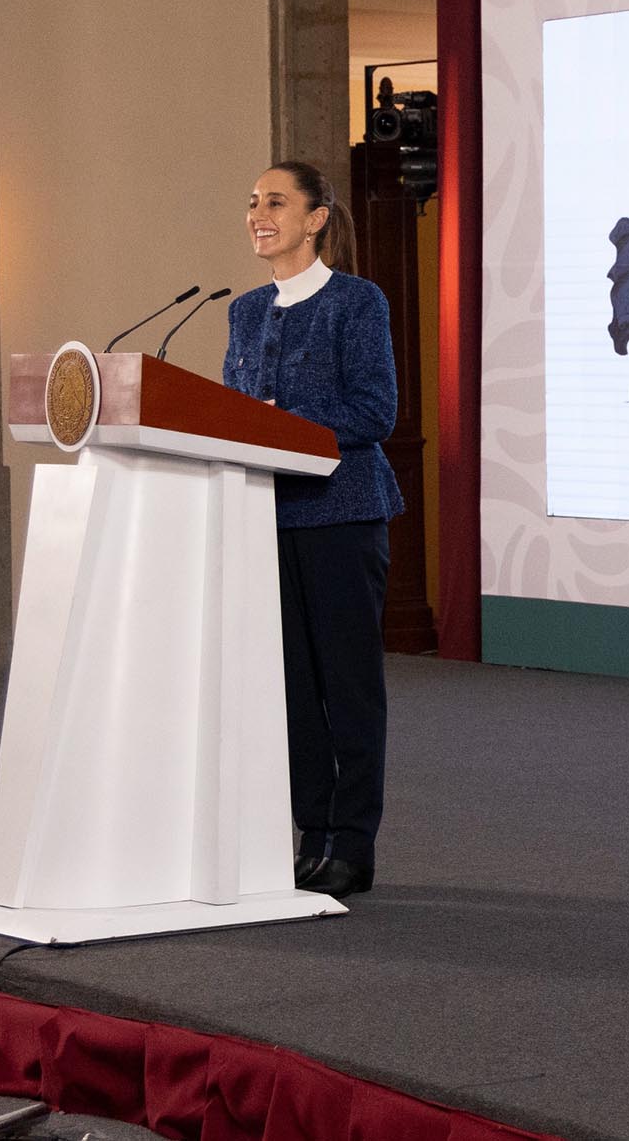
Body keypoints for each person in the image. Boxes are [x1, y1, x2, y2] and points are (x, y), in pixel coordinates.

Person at [224, 161, 404, 900]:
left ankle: (353, 843)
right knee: (291, 690)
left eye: (276, 201)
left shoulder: (356, 302)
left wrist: (280, 425)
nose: (258, 213)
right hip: (265, 518)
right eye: (252, 201)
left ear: (316, 219)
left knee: (348, 686)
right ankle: (312, 834)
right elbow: (229, 411)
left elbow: (374, 412)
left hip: (341, 516)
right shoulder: (243, 311)